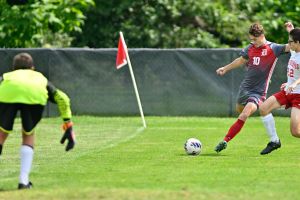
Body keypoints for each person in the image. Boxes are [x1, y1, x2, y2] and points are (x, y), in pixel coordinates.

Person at [214, 22, 293, 154]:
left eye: (255, 39)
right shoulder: (250, 48)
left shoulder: (274, 48)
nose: (253, 42)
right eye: (251, 39)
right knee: (240, 111)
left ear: (262, 35)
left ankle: (225, 140)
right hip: (244, 88)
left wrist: (291, 31)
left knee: (244, 114)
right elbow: (240, 60)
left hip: (258, 93)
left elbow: (292, 46)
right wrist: (225, 68)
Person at [0, 53, 76, 189]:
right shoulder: (40, 78)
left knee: (1, 133)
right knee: (28, 134)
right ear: (32, 68)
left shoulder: (7, 76)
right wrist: (68, 123)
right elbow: (63, 99)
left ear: (13, 69)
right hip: (34, 96)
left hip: (7, 93)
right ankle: (23, 181)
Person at [259, 28, 300, 151]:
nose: (288, 44)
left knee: (295, 131)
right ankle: (274, 141)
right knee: (263, 108)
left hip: (298, 95)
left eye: (290, 42)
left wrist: (295, 84)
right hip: (288, 92)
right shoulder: (294, 52)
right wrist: (289, 83)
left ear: (298, 43)